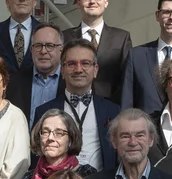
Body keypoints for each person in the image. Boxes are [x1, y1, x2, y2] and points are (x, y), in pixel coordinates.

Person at [30, 38, 118, 171]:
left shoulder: (113, 111)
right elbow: (37, 156)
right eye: (71, 64)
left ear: (95, 70)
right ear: (62, 70)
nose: (78, 69)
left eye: (85, 63)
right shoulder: (43, 111)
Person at [63, 0, 130, 102]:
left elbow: (126, 78)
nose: (92, 1)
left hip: (111, 108)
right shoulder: (64, 37)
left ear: (106, 2)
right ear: (78, 3)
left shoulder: (121, 38)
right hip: (71, 105)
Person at [10, 24, 65, 119]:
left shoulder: (71, 82)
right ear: (31, 50)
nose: (43, 51)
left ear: (61, 50)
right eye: (38, 46)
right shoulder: (14, 82)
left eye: (50, 46)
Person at [0, 0, 41, 78]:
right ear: (7, 1)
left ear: (34, 2)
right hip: (3, 92)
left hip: (37, 91)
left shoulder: (45, 32)